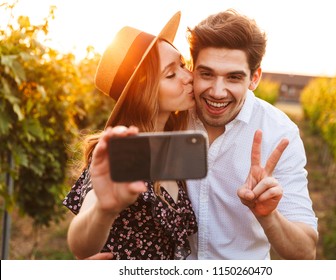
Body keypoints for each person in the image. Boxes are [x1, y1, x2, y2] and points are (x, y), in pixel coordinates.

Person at [63, 11, 199, 260]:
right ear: (142, 94)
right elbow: (80, 244)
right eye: (171, 74)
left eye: (182, 64)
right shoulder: (121, 150)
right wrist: (105, 210)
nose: (189, 76)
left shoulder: (171, 145)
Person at [184, 9, 318, 259]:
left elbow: (305, 251)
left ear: (254, 78)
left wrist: (268, 216)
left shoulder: (279, 132)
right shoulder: (173, 115)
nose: (217, 91)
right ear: (192, 69)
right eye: (206, 74)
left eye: (233, 78)